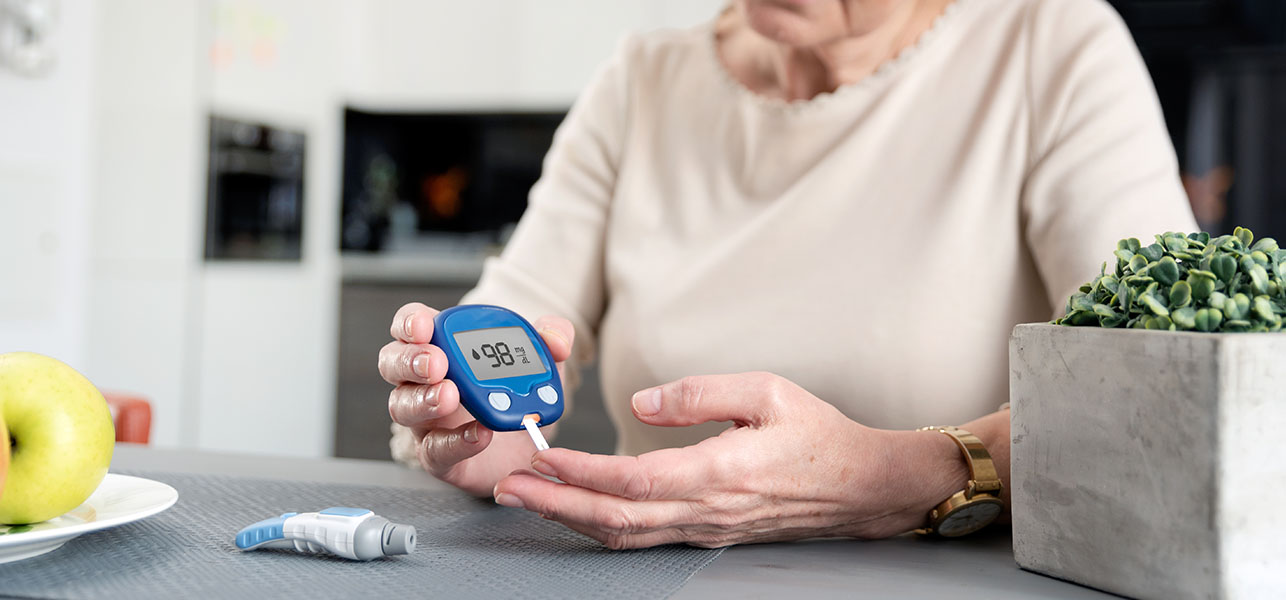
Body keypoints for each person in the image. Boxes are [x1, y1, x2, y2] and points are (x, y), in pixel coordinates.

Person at [379, 0, 1197, 549]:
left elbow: (1168, 404)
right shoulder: (644, 80)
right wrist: (461, 427)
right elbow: (519, 310)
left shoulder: (1053, 47)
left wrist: (894, 477)